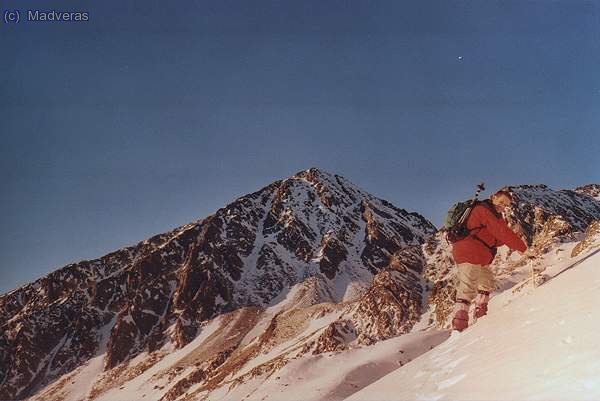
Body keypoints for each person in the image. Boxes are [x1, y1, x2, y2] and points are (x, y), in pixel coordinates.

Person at [451, 189, 527, 332]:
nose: (503, 206)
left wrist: (513, 235)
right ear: (493, 197)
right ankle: (459, 326)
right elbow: (501, 232)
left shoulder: (496, 216)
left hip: (481, 256)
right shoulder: (483, 210)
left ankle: (481, 315)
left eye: (506, 205)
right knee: (467, 287)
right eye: (501, 202)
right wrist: (523, 248)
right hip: (468, 252)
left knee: (486, 283)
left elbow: (496, 240)